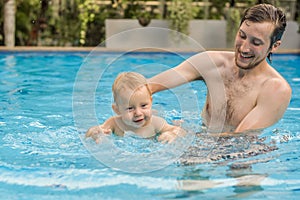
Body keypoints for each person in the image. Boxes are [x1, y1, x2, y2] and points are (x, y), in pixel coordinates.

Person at [148, 4, 292, 135]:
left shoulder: (276, 89)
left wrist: (183, 135)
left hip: (241, 156)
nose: (243, 48)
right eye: (242, 36)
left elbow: (239, 139)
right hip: (203, 137)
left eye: (256, 42)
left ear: (274, 46)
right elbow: (147, 87)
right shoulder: (212, 62)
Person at [85, 72, 184, 143]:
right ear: (117, 110)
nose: (138, 113)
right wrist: (94, 133)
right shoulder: (114, 123)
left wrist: (172, 134)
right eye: (130, 108)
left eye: (144, 106)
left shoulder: (156, 123)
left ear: (151, 102)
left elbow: (180, 131)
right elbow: (93, 131)